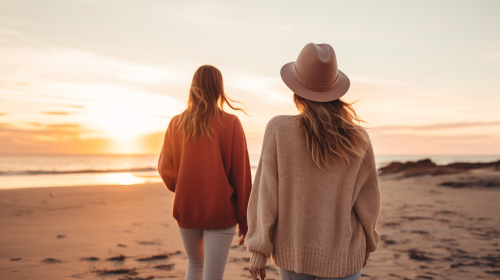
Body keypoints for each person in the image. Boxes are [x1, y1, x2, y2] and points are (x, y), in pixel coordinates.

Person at [245, 43, 381, 280]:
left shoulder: (278, 129)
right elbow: (369, 203)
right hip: (346, 254)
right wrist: (368, 244)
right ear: (336, 91)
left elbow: (266, 195)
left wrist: (259, 250)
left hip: (294, 250)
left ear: (295, 90)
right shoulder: (359, 138)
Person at [158, 65, 252, 280]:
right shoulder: (231, 123)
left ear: (193, 87)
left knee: (194, 265)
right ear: (219, 89)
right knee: (212, 275)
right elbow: (242, 177)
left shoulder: (176, 123)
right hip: (220, 212)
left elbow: (164, 169)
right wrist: (245, 221)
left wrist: (182, 188)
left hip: (187, 209)